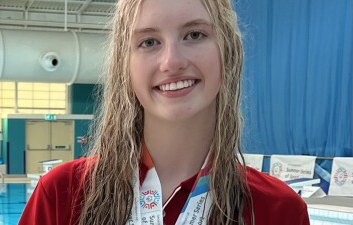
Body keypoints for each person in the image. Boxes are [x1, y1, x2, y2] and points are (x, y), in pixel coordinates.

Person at [19, 0, 310, 224]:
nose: (172, 61)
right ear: (125, 64)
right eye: (149, 42)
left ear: (228, 51)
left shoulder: (278, 209)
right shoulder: (62, 195)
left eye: (194, 34)